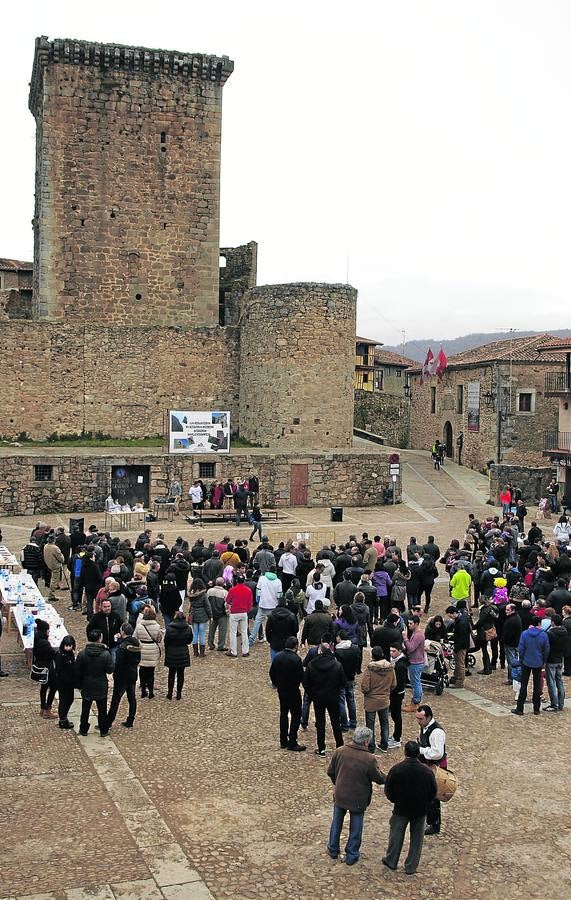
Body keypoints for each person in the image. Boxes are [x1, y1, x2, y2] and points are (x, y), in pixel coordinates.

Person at [326, 725, 385, 866]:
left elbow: (330, 771)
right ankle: (352, 854)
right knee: (356, 826)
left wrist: (337, 783)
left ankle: (333, 848)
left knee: (336, 822)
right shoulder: (369, 758)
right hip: (358, 798)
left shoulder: (340, 751)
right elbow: (378, 778)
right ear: (366, 742)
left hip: (340, 794)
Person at [382, 740, 437, 875]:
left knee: (396, 836)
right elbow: (433, 792)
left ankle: (391, 860)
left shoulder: (396, 770)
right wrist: (426, 803)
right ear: (418, 753)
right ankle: (411, 866)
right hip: (420, 810)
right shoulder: (427, 772)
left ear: (405, 752)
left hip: (401, 809)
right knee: (417, 840)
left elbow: (388, 790)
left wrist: (395, 800)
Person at [304, 641, 346, 756]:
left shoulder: (312, 664)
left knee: (320, 722)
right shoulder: (337, 665)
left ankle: (321, 748)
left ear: (320, 651)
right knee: (335, 722)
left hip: (318, 697)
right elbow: (343, 682)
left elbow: (306, 683)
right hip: (333, 697)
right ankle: (340, 746)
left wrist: (312, 694)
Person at [269, 636, 306, 751]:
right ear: (295, 647)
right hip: (293, 691)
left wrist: (277, 684)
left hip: (282, 690)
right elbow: (301, 676)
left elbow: (271, 673)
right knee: (296, 715)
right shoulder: (296, 659)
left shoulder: (278, 657)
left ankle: (283, 740)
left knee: (283, 714)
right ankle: (292, 741)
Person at [416, 704, 447, 835]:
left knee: (434, 797)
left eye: (420, 719)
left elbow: (438, 753)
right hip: (428, 766)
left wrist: (421, 750)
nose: (418, 721)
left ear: (428, 717)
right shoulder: (425, 727)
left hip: (436, 767)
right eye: (417, 718)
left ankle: (434, 825)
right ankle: (428, 820)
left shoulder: (437, 732)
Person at [76, 629, 114, 736]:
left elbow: (78, 670)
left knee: (85, 709)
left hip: (87, 683)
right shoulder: (105, 654)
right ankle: (103, 730)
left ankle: (83, 729)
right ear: (99, 639)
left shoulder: (82, 654)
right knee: (102, 709)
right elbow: (110, 669)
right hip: (101, 684)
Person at [360, 645, 396, 753]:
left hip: (371, 701)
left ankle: (371, 747)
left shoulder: (370, 669)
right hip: (384, 700)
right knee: (384, 722)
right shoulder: (390, 668)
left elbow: (365, 687)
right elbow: (394, 684)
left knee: (370, 725)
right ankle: (384, 745)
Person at [512, 616, 550, 716]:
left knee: (524, 685)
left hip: (526, 662)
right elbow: (546, 649)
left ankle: (520, 708)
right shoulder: (543, 635)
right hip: (538, 662)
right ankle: (536, 708)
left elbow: (521, 648)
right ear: (539, 624)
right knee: (537, 685)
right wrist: (543, 660)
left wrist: (522, 658)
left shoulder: (524, 634)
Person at [106, 623, 141, 729]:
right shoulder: (135, 644)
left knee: (116, 700)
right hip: (132, 673)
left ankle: (108, 722)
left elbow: (119, 663)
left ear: (123, 632)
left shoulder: (122, 648)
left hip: (122, 676)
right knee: (132, 697)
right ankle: (130, 719)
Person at [164, 610, 193, 700]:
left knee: (171, 674)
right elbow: (189, 641)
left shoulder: (169, 628)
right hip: (183, 653)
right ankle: (179, 694)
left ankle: (169, 693)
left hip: (172, 653)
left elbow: (166, 641)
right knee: (181, 674)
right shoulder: (188, 629)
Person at [334, 630, 360, 732]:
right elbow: (358, 661)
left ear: (339, 637)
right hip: (351, 677)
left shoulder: (338, 651)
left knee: (341, 701)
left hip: (341, 679)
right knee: (351, 700)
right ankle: (353, 722)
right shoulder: (355, 648)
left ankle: (344, 724)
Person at [135, 606, 163, 699]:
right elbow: (159, 639)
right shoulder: (157, 626)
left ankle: (143, 690)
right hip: (152, 649)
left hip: (142, 649)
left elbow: (135, 637)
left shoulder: (139, 626)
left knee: (142, 671)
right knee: (151, 673)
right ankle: (151, 692)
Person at [33, 619, 57, 719]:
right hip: (47, 668)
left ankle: (43, 707)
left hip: (41, 666)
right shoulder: (44, 643)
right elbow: (53, 654)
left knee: (43, 688)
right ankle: (47, 709)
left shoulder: (37, 638)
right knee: (53, 687)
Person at [225, 573, 253, 658]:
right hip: (244, 612)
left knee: (233, 632)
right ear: (244, 581)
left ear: (236, 581)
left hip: (234, 612)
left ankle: (234, 651)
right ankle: (245, 651)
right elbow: (250, 603)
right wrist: (246, 611)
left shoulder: (232, 590)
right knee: (244, 632)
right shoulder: (248, 590)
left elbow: (228, 600)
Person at [544, 613, 567, 711]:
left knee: (551, 683)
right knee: (559, 681)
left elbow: (547, 647)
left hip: (551, 659)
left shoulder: (550, 633)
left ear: (552, 622)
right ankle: (561, 703)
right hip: (560, 659)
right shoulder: (564, 632)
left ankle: (554, 704)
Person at [446, 602, 471, 689]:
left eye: (450, 616)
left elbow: (462, 637)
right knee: (458, 662)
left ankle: (460, 682)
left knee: (460, 664)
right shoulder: (461, 619)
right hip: (461, 644)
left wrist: (456, 648)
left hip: (461, 645)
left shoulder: (461, 622)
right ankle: (456, 678)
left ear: (454, 613)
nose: (450, 618)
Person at [266, 596, 298, 662]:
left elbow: (267, 630)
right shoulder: (291, 616)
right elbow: (296, 630)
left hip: (275, 643)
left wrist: (270, 640)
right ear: (286, 604)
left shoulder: (271, 615)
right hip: (288, 643)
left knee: (275, 664)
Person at [54, 635, 76, 729]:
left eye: (69, 646)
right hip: (63, 682)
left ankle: (64, 717)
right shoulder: (60, 655)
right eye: (66, 646)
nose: (67, 648)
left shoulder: (70, 654)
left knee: (69, 699)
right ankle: (62, 720)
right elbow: (59, 670)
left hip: (70, 682)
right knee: (64, 700)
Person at [403, 615, 425, 712]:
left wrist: (405, 638)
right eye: (408, 623)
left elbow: (411, 648)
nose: (409, 625)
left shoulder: (418, 635)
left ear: (416, 624)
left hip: (416, 662)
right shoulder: (416, 633)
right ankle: (415, 701)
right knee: (415, 682)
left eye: (411, 623)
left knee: (415, 683)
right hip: (416, 661)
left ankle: (416, 702)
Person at [388, 644, 407, 748]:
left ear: (399, 651)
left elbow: (399, 683)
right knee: (395, 715)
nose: (391, 653)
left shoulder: (400, 665)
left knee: (397, 716)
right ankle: (396, 736)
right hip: (395, 693)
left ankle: (397, 738)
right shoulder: (397, 662)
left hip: (397, 694)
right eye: (390, 651)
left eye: (394, 651)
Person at [188, 578, 212, 658]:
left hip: (194, 614)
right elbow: (207, 606)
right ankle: (202, 653)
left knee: (195, 633)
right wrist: (210, 616)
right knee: (201, 634)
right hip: (202, 615)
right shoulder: (203, 595)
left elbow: (191, 605)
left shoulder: (191, 594)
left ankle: (195, 652)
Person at [502, 602, 522, 686]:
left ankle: (511, 678)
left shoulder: (511, 621)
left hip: (511, 644)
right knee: (515, 661)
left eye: (508, 610)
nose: (506, 611)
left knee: (511, 662)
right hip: (516, 642)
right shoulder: (516, 618)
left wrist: (504, 640)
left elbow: (508, 634)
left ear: (513, 610)